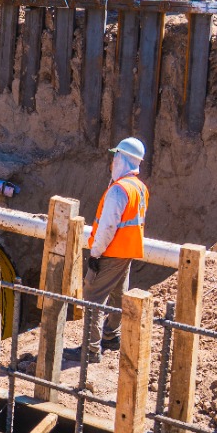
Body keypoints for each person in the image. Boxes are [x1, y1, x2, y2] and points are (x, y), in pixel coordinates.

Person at [74, 136, 149, 361]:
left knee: (93, 297)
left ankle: (91, 349)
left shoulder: (119, 190)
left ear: (123, 159)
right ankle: (111, 336)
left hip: (110, 251)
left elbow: (108, 226)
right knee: (118, 295)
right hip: (127, 252)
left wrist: (95, 253)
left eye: (116, 156)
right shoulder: (139, 188)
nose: (113, 161)